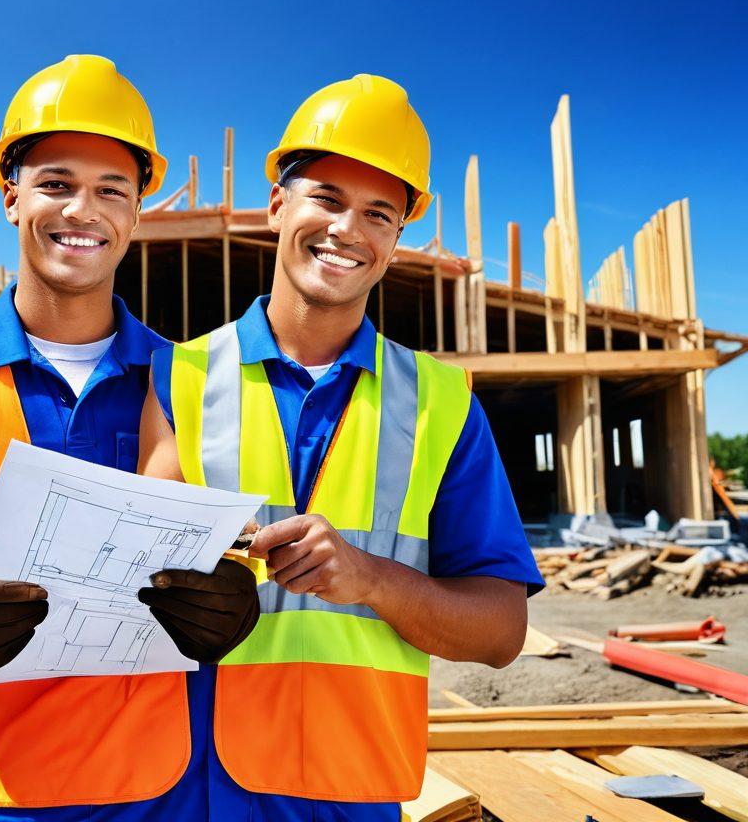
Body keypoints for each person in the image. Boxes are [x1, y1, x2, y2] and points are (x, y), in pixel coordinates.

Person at [0, 54, 257, 819]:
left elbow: (248, 556)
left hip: (184, 789)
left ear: (135, 212)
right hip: (25, 791)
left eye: (111, 190)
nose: (83, 211)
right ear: (12, 197)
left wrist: (238, 600)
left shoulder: (194, 383)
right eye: (56, 184)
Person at [138, 73, 544, 821]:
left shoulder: (442, 404)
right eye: (326, 198)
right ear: (277, 205)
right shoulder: (178, 377)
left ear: (397, 237)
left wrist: (372, 579)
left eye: (379, 213)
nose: (347, 229)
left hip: (350, 793)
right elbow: (131, 590)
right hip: (192, 791)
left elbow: (500, 633)